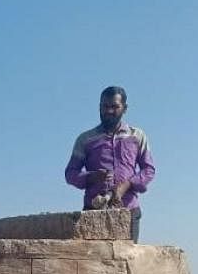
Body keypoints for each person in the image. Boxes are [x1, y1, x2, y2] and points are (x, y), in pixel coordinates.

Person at [63, 86, 156, 242]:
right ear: (99, 107)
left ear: (124, 108)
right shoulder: (85, 139)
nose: (109, 111)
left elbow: (148, 169)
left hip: (128, 210)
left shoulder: (137, 136)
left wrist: (127, 184)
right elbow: (70, 173)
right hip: (94, 212)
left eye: (114, 107)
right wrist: (91, 177)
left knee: (127, 261)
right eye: (105, 106)